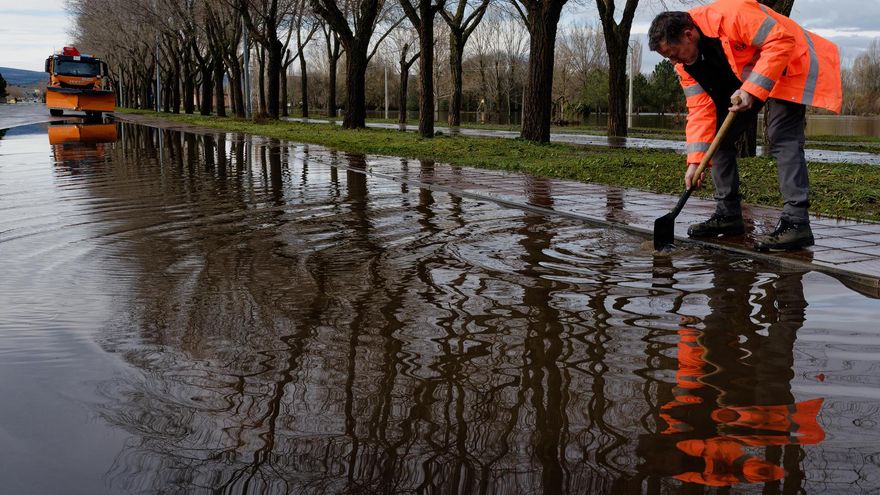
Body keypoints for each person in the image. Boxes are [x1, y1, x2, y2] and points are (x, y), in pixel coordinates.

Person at [648, 0, 842, 251]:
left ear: (688, 34)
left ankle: (797, 223)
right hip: (751, 77)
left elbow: (780, 41)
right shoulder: (685, 66)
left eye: (673, 54)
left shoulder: (731, 15)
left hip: (791, 60)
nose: (674, 62)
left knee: (780, 134)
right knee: (718, 139)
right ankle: (728, 215)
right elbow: (700, 109)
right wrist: (695, 162)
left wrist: (751, 89)